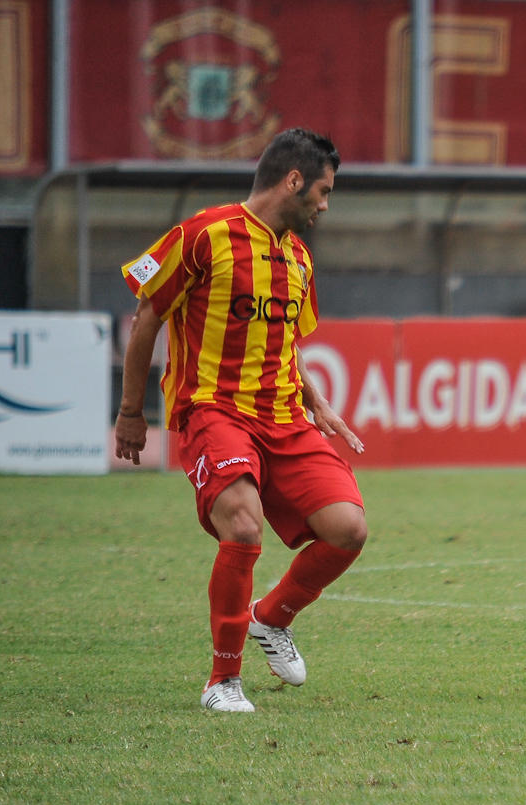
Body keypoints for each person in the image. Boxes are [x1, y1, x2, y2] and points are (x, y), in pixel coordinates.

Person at [114, 128, 368, 713]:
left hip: (283, 416)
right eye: (324, 192)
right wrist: (131, 412)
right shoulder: (202, 235)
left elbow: (283, 342)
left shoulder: (298, 257)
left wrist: (317, 402)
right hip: (214, 408)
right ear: (294, 181)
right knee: (244, 527)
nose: (325, 206)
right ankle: (222, 682)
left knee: (348, 530)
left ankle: (271, 619)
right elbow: (146, 319)